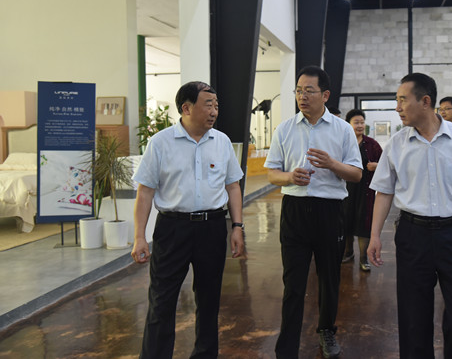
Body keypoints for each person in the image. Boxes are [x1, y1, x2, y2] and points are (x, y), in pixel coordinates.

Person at [368, 73, 452, 359]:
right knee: (414, 318)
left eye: (403, 100)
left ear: (425, 101)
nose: (398, 107)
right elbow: (384, 192)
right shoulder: (397, 144)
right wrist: (374, 235)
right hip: (414, 236)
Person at [131, 81, 245, 359]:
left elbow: (233, 186)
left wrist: (237, 227)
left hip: (212, 227)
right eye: (208, 105)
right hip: (172, 229)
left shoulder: (222, 142)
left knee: (209, 300)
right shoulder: (161, 143)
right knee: (162, 300)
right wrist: (139, 237)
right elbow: (145, 192)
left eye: (216, 105)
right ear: (186, 108)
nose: (214, 111)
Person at [264, 66, 362, 359]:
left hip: (329, 211)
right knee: (293, 282)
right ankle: (287, 344)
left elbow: (356, 174)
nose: (302, 96)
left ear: (325, 95)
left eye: (309, 91)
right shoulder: (284, 129)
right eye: (298, 91)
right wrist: (289, 177)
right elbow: (271, 173)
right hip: (294, 211)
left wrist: (332, 164)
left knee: (329, 278)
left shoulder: (342, 130)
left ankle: (327, 330)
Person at [342, 109, 383, 272]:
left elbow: (386, 165)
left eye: (362, 122)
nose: (360, 125)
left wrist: (376, 166)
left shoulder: (372, 144)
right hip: (346, 189)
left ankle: (364, 258)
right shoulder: (344, 143)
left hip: (366, 190)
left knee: (364, 223)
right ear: (349, 124)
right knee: (346, 221)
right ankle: (348, 252)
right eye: (356, 122)